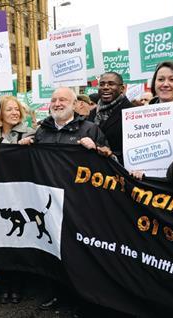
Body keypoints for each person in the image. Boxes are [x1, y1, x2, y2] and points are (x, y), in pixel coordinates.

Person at [32, 87, 109, 315]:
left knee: (77, 253)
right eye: (54, 99)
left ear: (74, 104)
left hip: (79, 203)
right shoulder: (42, 131)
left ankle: (80, 298)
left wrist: (95, 149)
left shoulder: (90, 129)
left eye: (63, 99)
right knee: (52, 251)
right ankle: (57, 293)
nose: (57, 103)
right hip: (48, 201)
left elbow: (108, 161)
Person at [0, 95, 35, 305]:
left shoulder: (30, 133)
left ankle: (17, 285)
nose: (14, 113)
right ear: (0, 113)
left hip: (20, 195)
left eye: (17, 109)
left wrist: (24, 147)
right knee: (1, 237)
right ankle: (4, 284)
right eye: (10, 109)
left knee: (18, 240)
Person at [88, 72, 134, 164]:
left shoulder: (132, 113)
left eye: (111, 84)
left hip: (120, 171)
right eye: (102, 84)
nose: (105, 87)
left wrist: (111, 155)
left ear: (122, 88)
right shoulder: (92, 114)